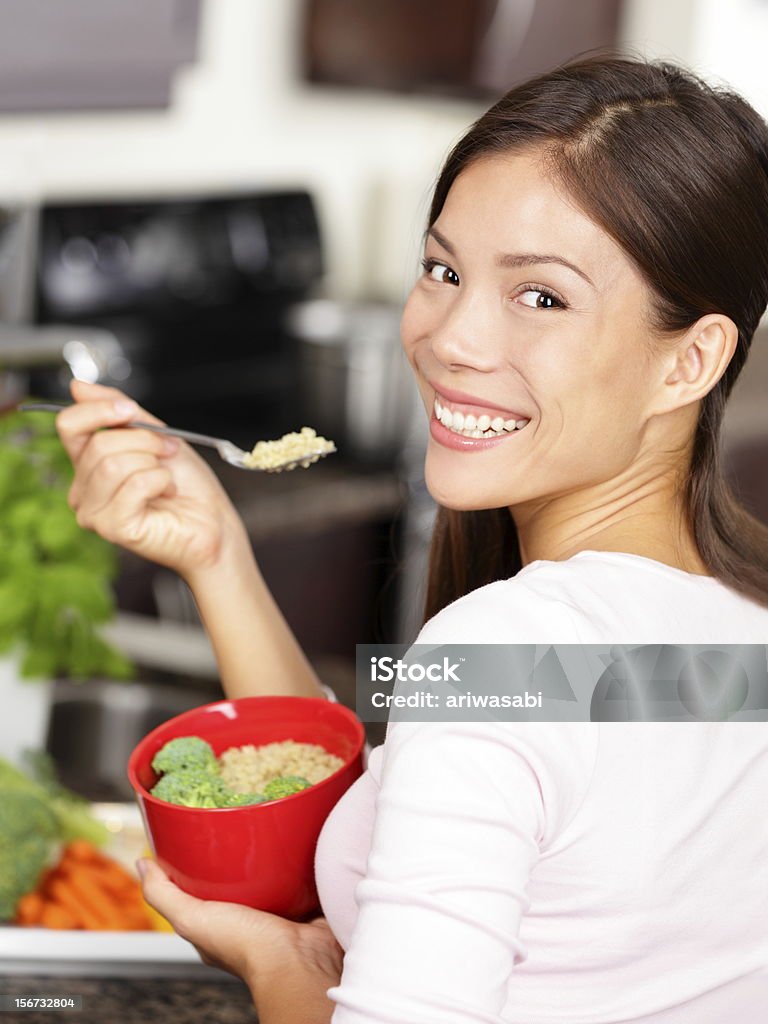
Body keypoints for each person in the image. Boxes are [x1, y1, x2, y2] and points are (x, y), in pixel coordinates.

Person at [55, 53, 768, 1023]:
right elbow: (394, 820)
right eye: (442, 269)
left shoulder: (510, 650)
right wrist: (217, 555)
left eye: (541, 296)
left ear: (691, 359)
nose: (451, 339)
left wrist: (285, 985)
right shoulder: (733, 627)